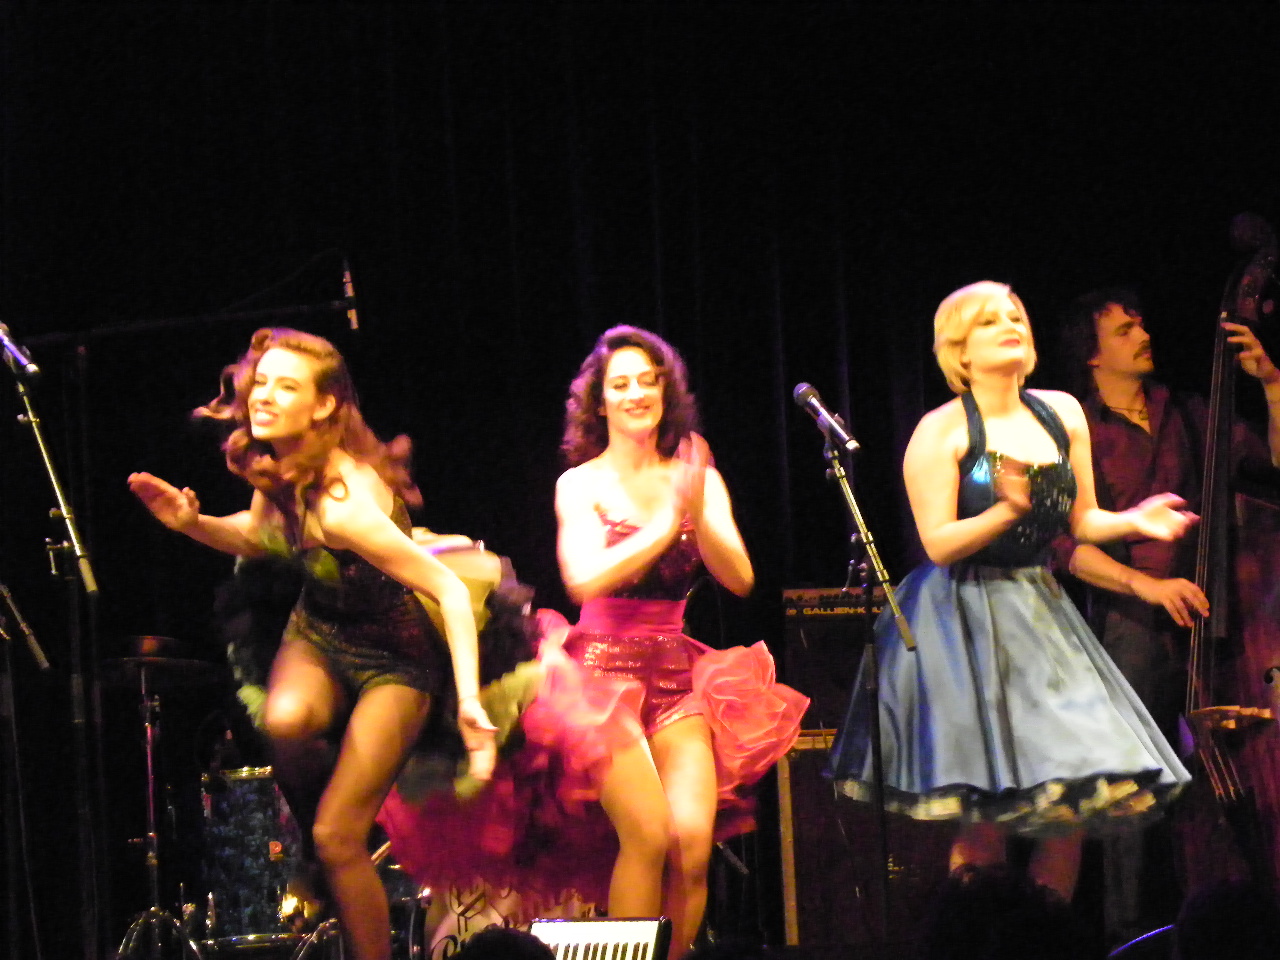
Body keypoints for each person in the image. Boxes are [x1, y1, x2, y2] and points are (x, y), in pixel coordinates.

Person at [128, 327, 497, 960]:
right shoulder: (280, 462)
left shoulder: (346, 504)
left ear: (324, 405)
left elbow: (449, 589)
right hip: (321, 628)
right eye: (261, 382)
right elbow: (258, 535)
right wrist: (194, 525)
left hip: (396, 652)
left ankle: (336, 848)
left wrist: (468, 702)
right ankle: (325, 849)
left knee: (336, 836)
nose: (263, 396)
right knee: (285, 718)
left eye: (286, 386)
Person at [826, 281, 1193, 906]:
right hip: (963, 616)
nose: (1010, 326)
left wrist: (1135, 520)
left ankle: (1049, 936)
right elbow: (939, 544)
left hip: (1038, 608)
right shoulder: (940, 430)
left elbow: (1083, 521)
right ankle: (981, 937)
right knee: (985, 809)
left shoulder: (1060, 413)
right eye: (990, 321)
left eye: (1016, 316)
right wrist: (1005, 510)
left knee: (1069, 802)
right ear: (959, 350)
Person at [554, 325, 809, 958]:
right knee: (646, 835)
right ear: (600, 402)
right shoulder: (579, 484)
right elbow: (582, 580)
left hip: (672, 671)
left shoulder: (697, 479)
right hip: (597, 677)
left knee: (691, 844)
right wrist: (667, 522)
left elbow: (740, 578)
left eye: (649, 381)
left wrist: (694, 505)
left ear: (666, 393)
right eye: (621, 384)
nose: (637, 393)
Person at [1054, 288, 1280, 944]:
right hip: (1135, 621)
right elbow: (1063, 547)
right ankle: (1130, 933)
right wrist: (1149, 588)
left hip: (1224, 618)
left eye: (1141, 323)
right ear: (1093, 355)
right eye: (1124, 330)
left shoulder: (1189, 410)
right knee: (1132, 785)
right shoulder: (1081, 429)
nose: (1143, 334)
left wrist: (1271, 384)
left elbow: (1273, 463)